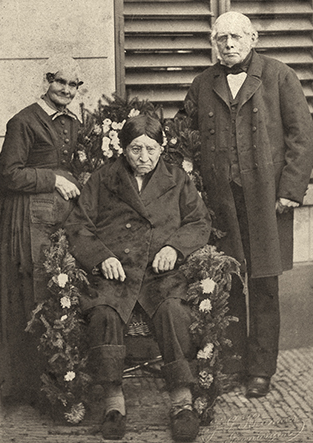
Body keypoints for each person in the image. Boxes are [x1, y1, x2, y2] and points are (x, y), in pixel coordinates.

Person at [182, 11, 313, 398]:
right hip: (221, 202)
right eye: (221, 39)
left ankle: (260, 369)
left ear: (253, 38)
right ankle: (233, 361)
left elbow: (302, 136)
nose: (228, 45)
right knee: (228, 281)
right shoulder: (203, 83)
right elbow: (183, 131)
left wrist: (290, 189)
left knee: (264, 284)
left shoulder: (279, 75)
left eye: (236, 37)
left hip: (267, 200)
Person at [65, 114, 211, 441]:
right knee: (104, 311)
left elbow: (199, 222)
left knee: (174, 309)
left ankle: (181, 401)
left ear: (162, 148)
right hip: (116, 270)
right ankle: (113, 402)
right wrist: (101, 257)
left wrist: (175, 248)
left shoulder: (177, 180)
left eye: (151, 149)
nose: (143, 158)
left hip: (161, 272)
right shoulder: (104, 179)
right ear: (123, 148)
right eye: (135, 150)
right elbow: (78, 225)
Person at [0, 55, 83, 404]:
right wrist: (53, 179)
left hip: (50, 216)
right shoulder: (23, 121)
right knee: (21, 291)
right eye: (60, 82)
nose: (66, 90)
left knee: (50, 288)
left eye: (73, 84)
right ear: (47, 81)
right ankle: (21, 382)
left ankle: (49, 378)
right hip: (15, 218)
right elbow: (8, 174)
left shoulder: (72, 122)